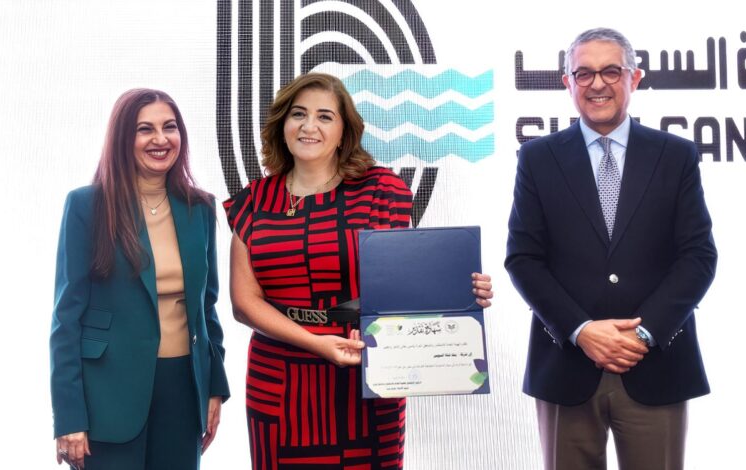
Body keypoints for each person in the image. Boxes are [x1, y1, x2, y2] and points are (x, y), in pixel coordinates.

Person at [225, 72, 493, 469]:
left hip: (367, 373)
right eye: (298, 114)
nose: (309, 126)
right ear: (282, 124)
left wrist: (462, 291)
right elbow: (244, 304)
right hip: (279, 384)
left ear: (344, 132)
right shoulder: (254, 201)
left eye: (325, 116)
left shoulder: (380, 191)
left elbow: (408, 281)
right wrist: (317, 344)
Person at [505, 28, 717, 470]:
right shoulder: (538, 158)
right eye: (583, 73)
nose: (596, 84)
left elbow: (698, 256)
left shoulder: (675, 155)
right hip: (565, 365)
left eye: (611, 71)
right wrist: (581, 330)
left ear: (634, 78)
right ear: (567, 83)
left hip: (655, 365)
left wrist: (642, 334)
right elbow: (523, 259)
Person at [50, 88, 230, 469]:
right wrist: (69, 417)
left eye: (170, 127)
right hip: (107, 394)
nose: (160, 139)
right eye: (144, 129)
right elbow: (65, 320)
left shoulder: (200, 207)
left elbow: (207, 307)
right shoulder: (87, 206)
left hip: (183, 389)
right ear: (122, 138)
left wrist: (214, 386)